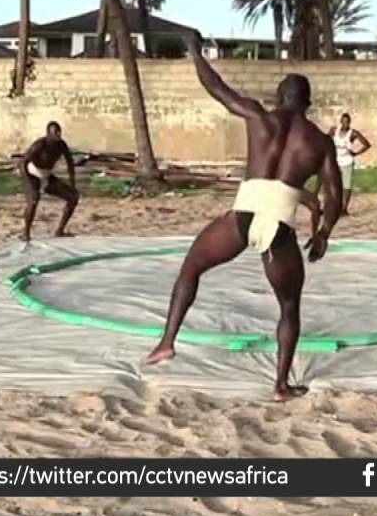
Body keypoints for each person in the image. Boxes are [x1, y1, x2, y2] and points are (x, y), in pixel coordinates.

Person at [145, 45, 343, 401]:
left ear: (278, 96)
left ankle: (166, 342)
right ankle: (281, 386)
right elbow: (334, 195)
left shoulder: (259, 117)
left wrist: (195, 53)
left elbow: (217, 88)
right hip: (279, 226)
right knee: (288, 307)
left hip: (242, 217)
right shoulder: (321, 142)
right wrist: (323, 234)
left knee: (191, 269)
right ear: (309, 103)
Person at [19, 121, 79, 241]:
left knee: (73, 197)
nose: (57, 135)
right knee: (33, 201)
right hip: (32, 172)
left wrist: (73, 184)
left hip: (47, 174)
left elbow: (70, 163)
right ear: (48, 134)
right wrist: (29, 183)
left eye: (58, 132)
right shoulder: (39, 145)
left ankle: (60, 230)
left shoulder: (61, 145)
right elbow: (22, 163)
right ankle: (26, 233)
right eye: (54, 133)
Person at [329, 113, 371, 216]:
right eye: (343, 122)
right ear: (340, 122)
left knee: (346, 186)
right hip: (336, 160)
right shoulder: (335, 130)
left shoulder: (353, 133)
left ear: (350, 122)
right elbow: (326, 139)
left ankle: (344, 208)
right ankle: (333, 206)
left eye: (347, 122)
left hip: (347, 161)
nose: (345, 124)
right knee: (334, 184)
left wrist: (356, 153)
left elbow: (367, 144)